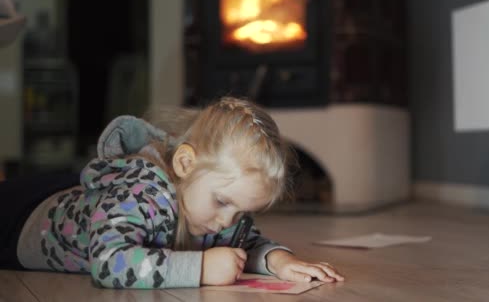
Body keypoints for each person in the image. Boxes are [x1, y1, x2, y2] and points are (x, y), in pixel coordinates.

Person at [1, 97, 344, 288]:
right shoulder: (140, 194)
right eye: (223, 202)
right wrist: (199, 268)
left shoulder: (213, 210)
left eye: (240, 211)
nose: (227, 221)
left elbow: (246, 241)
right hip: (20, 219)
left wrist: (280, 261)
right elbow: (108, 263)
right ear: (184, 164)